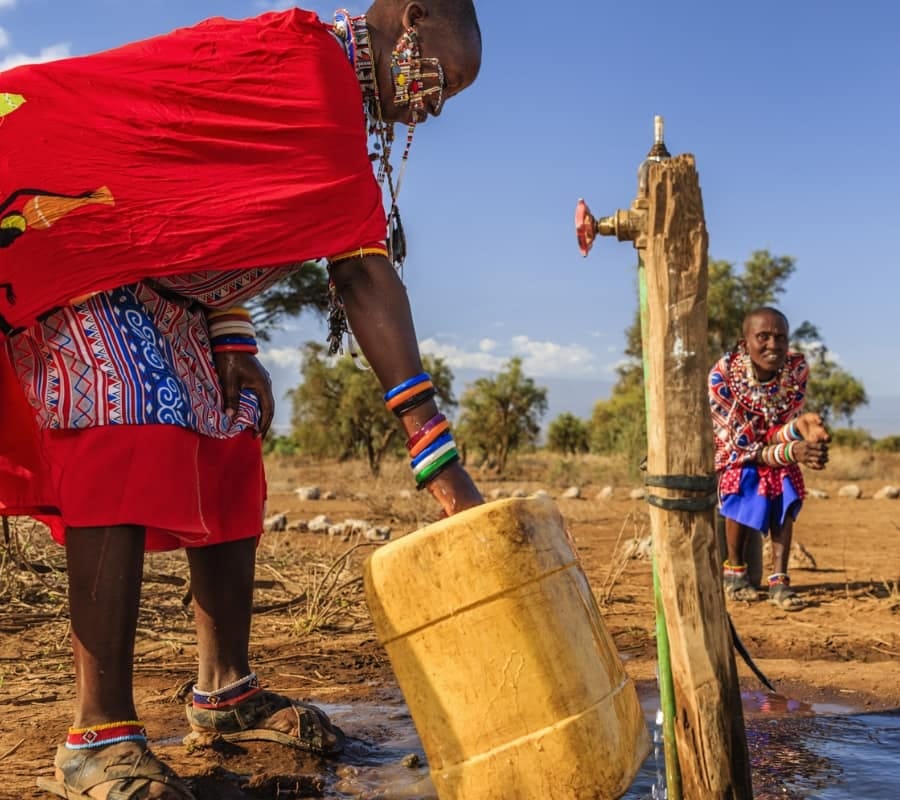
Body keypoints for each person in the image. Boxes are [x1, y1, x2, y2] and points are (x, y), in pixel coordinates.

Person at [0, 3, 484, 798]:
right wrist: (436, 455)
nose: (434, 106)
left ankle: (225, 691)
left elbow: (205, 196)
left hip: (149, 271)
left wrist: (231, 333)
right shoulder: (308, 67)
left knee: (230, 430)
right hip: (69, 229)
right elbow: (360, 271)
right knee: (128, 407)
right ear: (414, 19)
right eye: (443, 78)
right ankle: (97, 736)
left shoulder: (328, 90)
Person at [708, 307, 829, 614]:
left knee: (785, 478)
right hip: (729, 455)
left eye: (780, 337)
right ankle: (734, 572)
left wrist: (800, 429)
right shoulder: (723, 376)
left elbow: (777, 431)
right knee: (743, 477)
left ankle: (780, 580)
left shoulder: (795, 371)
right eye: (763, 337)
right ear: (744, 342)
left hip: (764, 451)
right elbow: (739, 446)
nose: (773, 345)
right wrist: (792, 450)